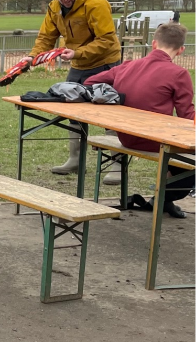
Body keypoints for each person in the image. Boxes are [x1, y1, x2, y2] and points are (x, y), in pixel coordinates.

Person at [83, 22, 195, 218]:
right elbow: (187, 116)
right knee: (187, 154)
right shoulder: (179, 74)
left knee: (180, 152)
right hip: (154, 140)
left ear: (154, 44)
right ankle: (163, 197)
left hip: (125, 136)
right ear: (181, 50)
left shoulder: (126, 67)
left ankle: (163, 200)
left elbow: (89, 82)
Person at [22, 0, 122, 177]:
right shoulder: (54, 8)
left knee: (108, 113)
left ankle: (116, 164)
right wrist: (33, 57)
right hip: (78, 64)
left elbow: (106, 40)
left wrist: (78, 53)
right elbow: (46, 37)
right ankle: (76, 160)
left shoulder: (96, 4)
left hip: (105, 63)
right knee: (72, 110)